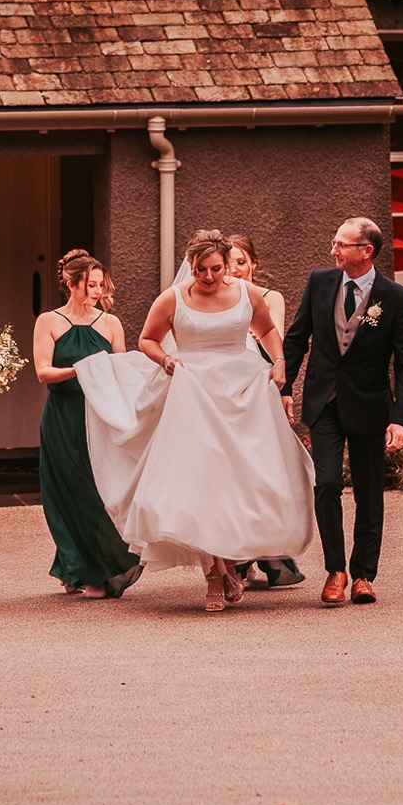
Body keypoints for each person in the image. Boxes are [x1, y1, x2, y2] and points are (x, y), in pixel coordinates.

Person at [74, 229, 316, 612]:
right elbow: (148, 340)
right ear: (191, 266)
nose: (208, 277)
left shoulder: (247, 294)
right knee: (201, 481)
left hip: (242, 393)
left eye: (216, 269)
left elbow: (267, 329)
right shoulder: (172, 299)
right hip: (192, 394)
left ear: (226, 264)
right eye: (201, 269)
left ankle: (232, 563)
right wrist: (167, 360)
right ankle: (214, 575)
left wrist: (280, 362)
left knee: (239, 481)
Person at [282, 216, 403, 607]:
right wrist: (285, 387)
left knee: (370, 494)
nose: (333, 250)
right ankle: (335, 570)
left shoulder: (394, 298)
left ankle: (364, 575)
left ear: (366, 251)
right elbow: (296, 338)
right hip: (324, 401)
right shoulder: (319, 282)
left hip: (371, 405)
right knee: (325, 483)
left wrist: (400, 418)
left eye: (341, 244)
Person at [32, 250, 144, 599]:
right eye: (90, 284)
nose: (97, 291)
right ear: (70, 283)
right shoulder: (48, 321)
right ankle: (82, 569)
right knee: (67, 492)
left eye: (99, 284)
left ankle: (82, 567)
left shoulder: (109, 323)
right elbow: (42, 371)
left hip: (99, 415)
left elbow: (122, 371)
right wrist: (81, 369)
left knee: (96, 493)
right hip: (63, 415)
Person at [227, 233, 307, 591]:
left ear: (253, 264)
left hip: (260, 387)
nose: (234, 270)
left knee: (262, 469)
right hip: (227, 390)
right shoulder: (215, 298)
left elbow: (266, 334)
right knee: (233, 470)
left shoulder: (269, 297)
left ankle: (264, 550)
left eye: (241, 262)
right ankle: (237, 557)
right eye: (228, 264)